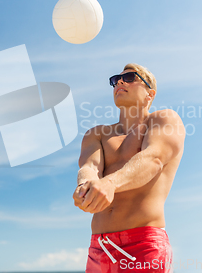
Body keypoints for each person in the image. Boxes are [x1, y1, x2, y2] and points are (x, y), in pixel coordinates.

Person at [73, 63, 185, 272]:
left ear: (149, 94)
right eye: (116, 80)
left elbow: (153, 159)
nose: (120, 82)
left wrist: (110, 183)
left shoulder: (164, 120)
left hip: (143, 244)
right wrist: (85, 185)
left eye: (130, 77)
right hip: (99, 248)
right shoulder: (96, 134)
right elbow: (89, 167)